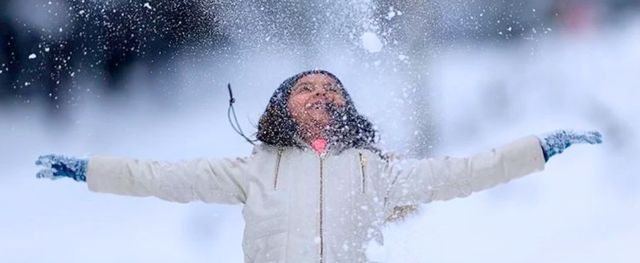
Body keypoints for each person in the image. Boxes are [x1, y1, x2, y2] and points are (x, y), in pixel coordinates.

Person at [35, 69, 602, 262]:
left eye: (332, 89)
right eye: (305, 88)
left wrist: (540, 149)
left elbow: (464, 172)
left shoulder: (375, 171)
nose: (320, 95)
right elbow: (157, 176)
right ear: (282, 106)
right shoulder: (252, 169)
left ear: (346, 108)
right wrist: (86, 169)